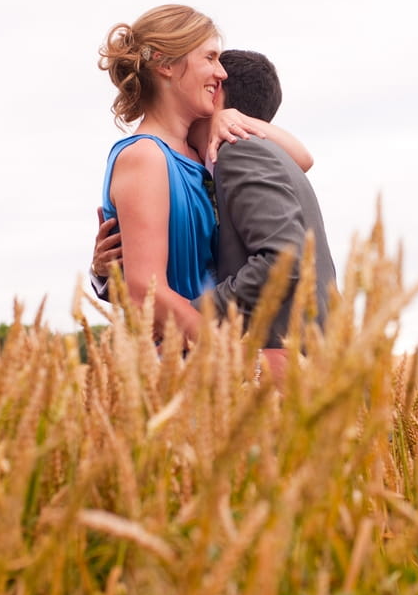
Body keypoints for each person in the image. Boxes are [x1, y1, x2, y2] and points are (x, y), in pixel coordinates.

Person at [92, 47, 337, 378]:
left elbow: (283, 259)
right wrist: (105, 275)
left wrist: (180, 320)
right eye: (208, 62)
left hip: (269, 361)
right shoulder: (202, 165)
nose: (212, 75)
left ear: (216, 95)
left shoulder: (239, 153)